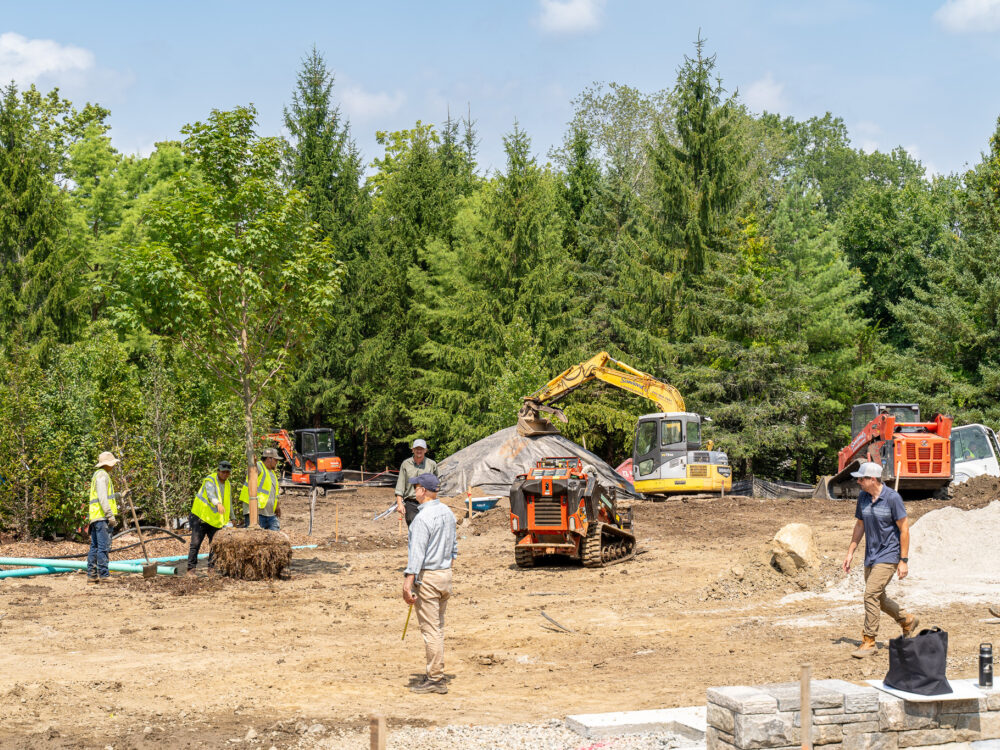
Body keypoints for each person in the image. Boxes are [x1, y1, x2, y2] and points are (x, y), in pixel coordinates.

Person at [842, 461, 920, 658]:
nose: (858, 482)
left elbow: (904, 529)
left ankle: (869, 641)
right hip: (871, 555)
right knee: (879, 598)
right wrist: (850, 552)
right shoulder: (863, 497)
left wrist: (903, 560)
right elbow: (860, 525)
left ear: (872, 479)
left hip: (889, 554)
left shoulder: (893, 498)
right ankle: (907, 620)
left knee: (870, 595)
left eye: (861, 479)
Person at [403, 473, 457, 694]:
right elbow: (453, 548)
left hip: (429, 578)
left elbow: (416, 554)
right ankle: (435, 672)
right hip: (445, 574)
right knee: (438, 627)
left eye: (416, 487)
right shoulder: (448, 512)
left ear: (423, 491)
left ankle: (435, 678)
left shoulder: (421, 519)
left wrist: (408, 583)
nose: (414, 491)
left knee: (431, 630)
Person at [188, 461, 233, 574]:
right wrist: (218, 503)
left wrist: (233, 517)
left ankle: (211, 569)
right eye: (223, 472)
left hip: (214, 520)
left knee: (214, 545)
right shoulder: (210, 480)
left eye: (227, 472)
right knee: (195, 544)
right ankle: (191, 569)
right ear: (218, 471)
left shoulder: (228, 484)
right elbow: (210, 494)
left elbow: (229, 502)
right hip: (201, 517)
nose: (225, 474)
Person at [87, 451, 122, 584]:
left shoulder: (97, 475)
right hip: (102, 517)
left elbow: (105, 496)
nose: (113, 466)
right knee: (103, 547)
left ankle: (92, 575)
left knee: (95, 547)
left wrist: (120, 495)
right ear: (108, 464)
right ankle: (104, 574)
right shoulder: (103, 475)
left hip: (96, 516)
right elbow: (102, 498)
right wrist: (110, 515)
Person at [395, 439, 439, 526]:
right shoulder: (406, 464)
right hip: (411, 502)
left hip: (427, 502)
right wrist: (399, 503)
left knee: (428, 527)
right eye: (417, 448)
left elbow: (436, 484)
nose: (419, 451)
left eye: (421, 449)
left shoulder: (432, 464)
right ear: (412, 450)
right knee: (414, 526)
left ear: (425, 450)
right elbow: (400, 485)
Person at [240, 448, 281, 530]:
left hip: (270, 514)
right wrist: (253, 463)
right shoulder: (259, 466)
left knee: (275, 535)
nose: (277, 462)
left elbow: (274, 492)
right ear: (269, 459)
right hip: (256, 513)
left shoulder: (272, 473)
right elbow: (252, 471)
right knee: (255, 536)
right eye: (276, 460)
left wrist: (277, 505)